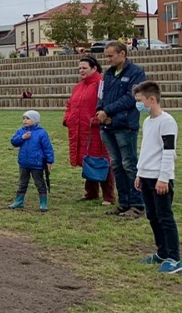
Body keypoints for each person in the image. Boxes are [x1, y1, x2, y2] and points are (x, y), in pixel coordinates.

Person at [132, 81, 180, 274]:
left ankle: (174, 257)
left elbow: (168, 152)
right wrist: (140, 173)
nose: (138, 104)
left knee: (164, 217)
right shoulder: (147, 122)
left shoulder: (167, 122)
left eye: (140, 100)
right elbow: (147, 149)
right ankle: (162, 252)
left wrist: (163, 178)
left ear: (152, 99)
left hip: (160, 178)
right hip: (146, 176)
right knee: (152, 215)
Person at [97, 41, 147, 218]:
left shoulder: (136, 73)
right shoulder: (108, 74)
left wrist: (108, 112)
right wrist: (101, 112)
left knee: (129, 165)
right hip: (107, 126)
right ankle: (124, 203)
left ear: (122, 54)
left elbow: (131, 98)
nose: (108, 59)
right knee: (117, 166)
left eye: (111, 56)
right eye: (106, 56)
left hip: (125, 126)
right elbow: (101, 96)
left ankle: (137, 204)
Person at [62, 56, 115, 205]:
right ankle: (91, 192)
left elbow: (107, 105)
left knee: (102, 160)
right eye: (79, 68)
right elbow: (70, 105)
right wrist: (68, 118)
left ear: (94, 68)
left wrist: (98, 120)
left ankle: (108, 196)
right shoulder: (78, 87)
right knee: (87, 160)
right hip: (81, 130)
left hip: (96, 131)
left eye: (84, 68)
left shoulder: (102, 85)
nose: (81, 71)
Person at [9, 110, 55, 211]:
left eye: (28, 118)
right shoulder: (21, 131)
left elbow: (48, 148)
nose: (25, 120)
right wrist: (22, 138)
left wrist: (49, 161)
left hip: (37, 164)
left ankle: (43, 203)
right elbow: (13, 142)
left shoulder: (41, 133)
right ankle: (19, 201)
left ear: (35, 120)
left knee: (40, 183)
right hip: (24, 163)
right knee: (22, 183)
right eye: (24, 118)